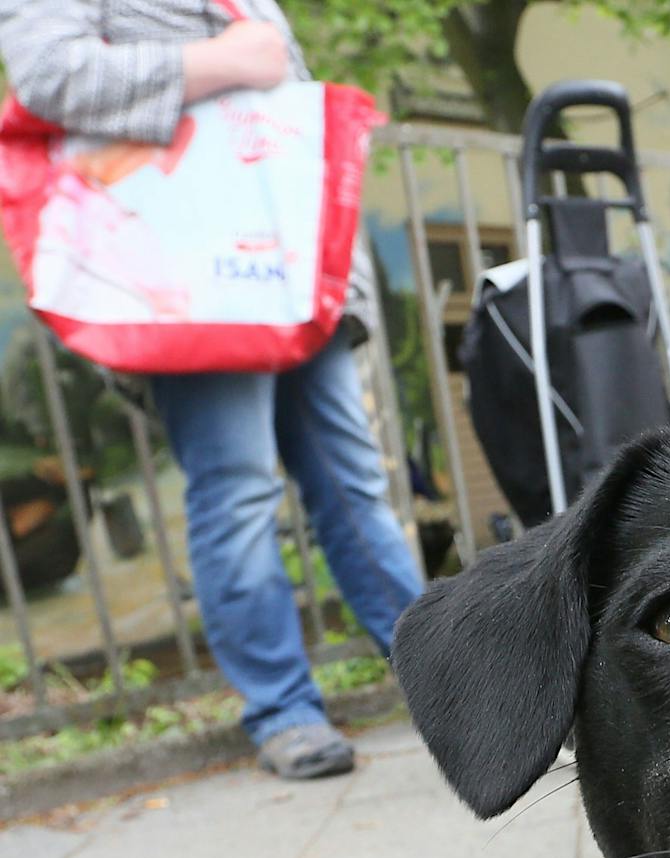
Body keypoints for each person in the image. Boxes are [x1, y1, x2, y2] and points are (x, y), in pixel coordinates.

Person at [0, 1, 424, 781]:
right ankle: (283, 709)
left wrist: (340, 274)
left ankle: (440, 675)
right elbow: (48, 72)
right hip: (185, 271)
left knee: (353, 484)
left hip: (291, 271)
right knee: (236, 490)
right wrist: (219, 63)